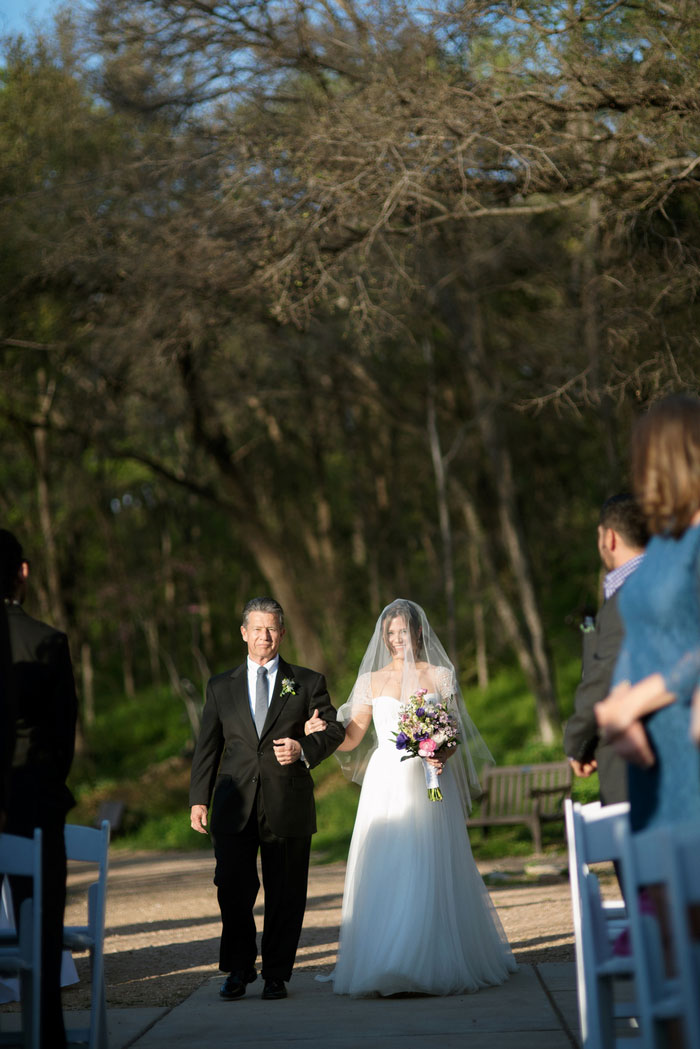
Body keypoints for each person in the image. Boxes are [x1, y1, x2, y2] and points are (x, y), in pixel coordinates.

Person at [309, 598, 516, 997]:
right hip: (386, 780)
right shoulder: (371, 681)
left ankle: (431, 959)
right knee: (388, 863)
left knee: (429, 861)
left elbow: (453, 732)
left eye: (403, 631)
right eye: (390, 632)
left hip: (431, 780)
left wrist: (439, 752)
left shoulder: (440, 676)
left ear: (418, 632)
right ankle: (386, 960)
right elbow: (350, 738)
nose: (396, 638)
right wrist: (320, 731)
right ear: (383, 637)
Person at [189, 596, 344, 1002]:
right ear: (243, 633)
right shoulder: (220, 686)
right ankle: (239, 969)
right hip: (233, 802)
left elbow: (333, 730)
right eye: (257, 628)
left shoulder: (308, 682)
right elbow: (207, 746)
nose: (264, 636)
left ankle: (277, 972)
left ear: (283, 633)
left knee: (287, 890)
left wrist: (304, 747)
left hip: (287, 799)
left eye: (272, 628)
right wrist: (198, 799)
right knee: (232, 888)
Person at [595, 394, 700, 833]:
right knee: (661, 897)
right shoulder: (661, 545)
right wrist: (617, 706)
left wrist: (637, 700)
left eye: (647, 455)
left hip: (689, 742)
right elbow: (636, 635)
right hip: (647, 756)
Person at [0, 528, 78, 1049]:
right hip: (33, 802)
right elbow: (61, 741)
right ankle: (45, 1035)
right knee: (43, 928)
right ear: (23, 573)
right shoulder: (46, 641)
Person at [564, 494, 648, 806]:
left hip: (635, 762)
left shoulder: (625, 600)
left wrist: (577, 741)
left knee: (638, 854)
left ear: (609, 538)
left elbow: (603, 679)